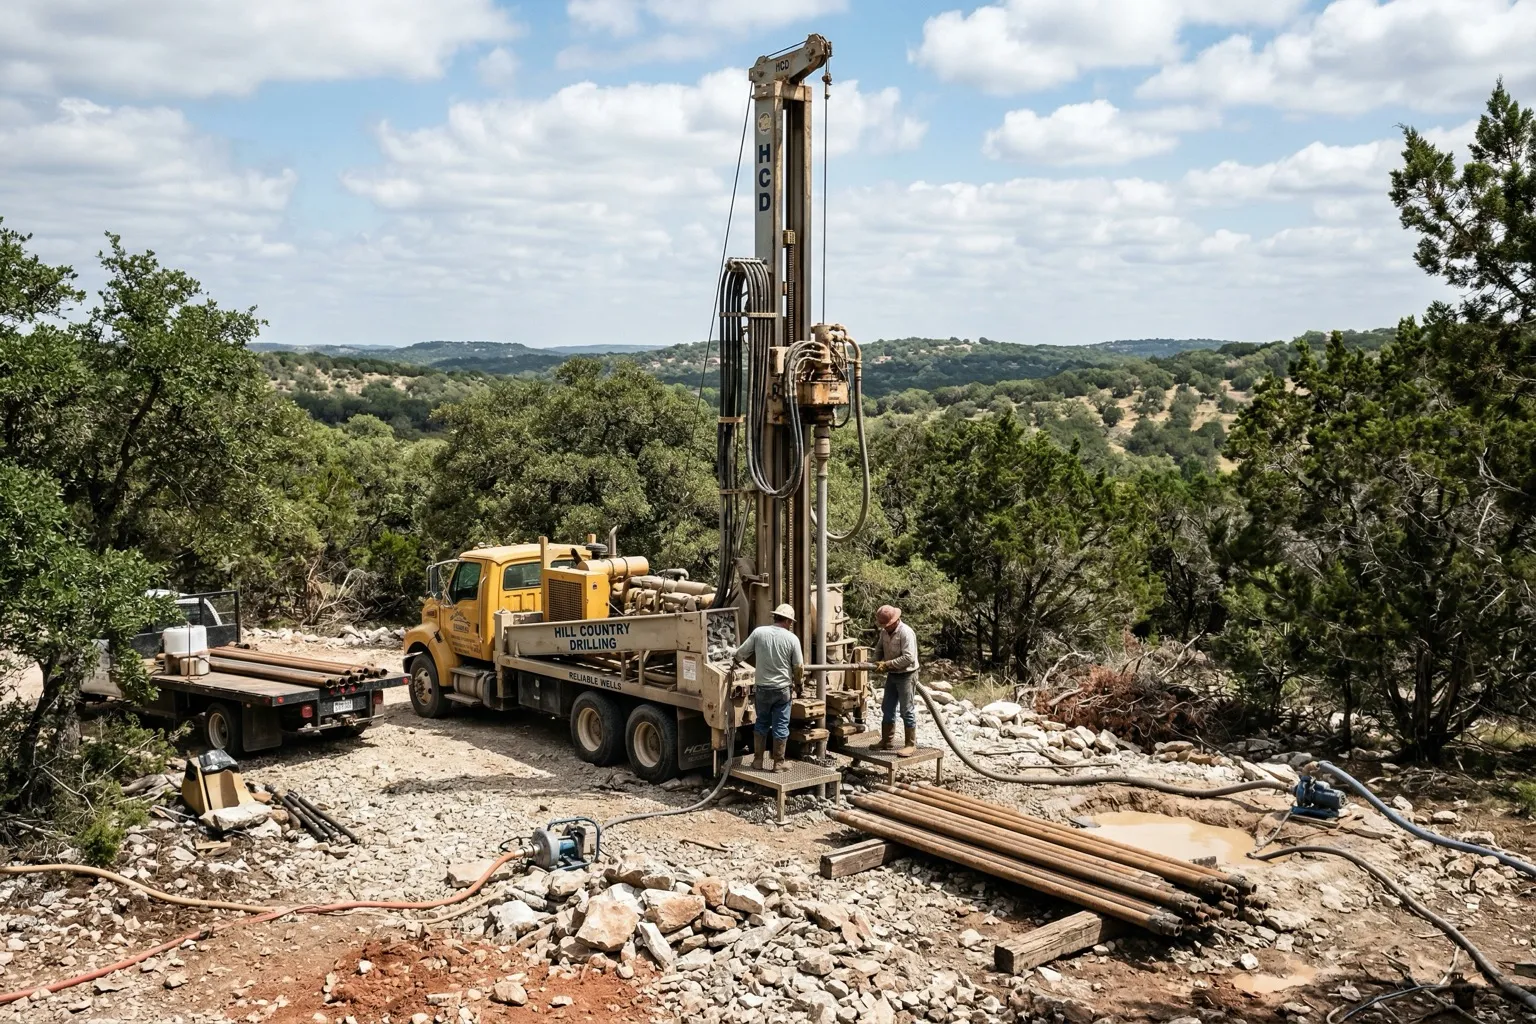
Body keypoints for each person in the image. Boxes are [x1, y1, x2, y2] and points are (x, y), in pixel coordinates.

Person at [731, 603, 803, 773]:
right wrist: (799, 684)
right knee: (781, 725)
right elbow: (798, 666)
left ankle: (757, 761)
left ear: (775, 617)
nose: (790, 625)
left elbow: (741, 653)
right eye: (790, 622)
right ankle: (778, 763)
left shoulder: (759, 633)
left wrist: (734, 662)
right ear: (787, 621)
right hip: (782, 690)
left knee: (761, 722)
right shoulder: (792, 639)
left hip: (762, 688)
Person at [873, 604, 919, 757]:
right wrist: (874, 663)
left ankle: (910, 745)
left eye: (886, 624)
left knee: (906, 710)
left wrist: (887, 664)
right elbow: (879, 649)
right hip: (893, 674)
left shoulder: (906, 633)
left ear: (895, 621)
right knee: (887, 707)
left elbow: (909, 657)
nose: (885, 627)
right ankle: (887, 740)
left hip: (907, 674)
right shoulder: (884, 632)